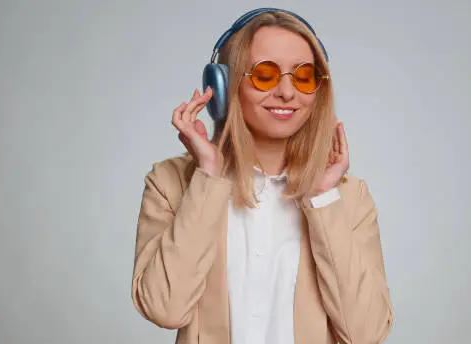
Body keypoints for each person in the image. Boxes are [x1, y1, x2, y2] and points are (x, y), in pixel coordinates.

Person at [131, 8, 394, 344]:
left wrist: (323, 200)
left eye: (303, 77)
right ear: (222, 87)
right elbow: (164, 309)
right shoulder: (170, 183)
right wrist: (208, 177)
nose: (287, 92)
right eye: (265, 75)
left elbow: (365, 334)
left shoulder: (349, 197)